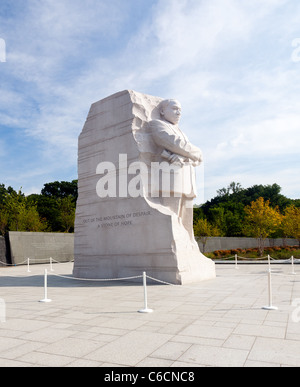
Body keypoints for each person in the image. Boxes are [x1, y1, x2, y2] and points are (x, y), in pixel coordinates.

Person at [148, 99, 203, 240]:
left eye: (180, 110)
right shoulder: (157, 124)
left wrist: (185, 157)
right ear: (162, 111)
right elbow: (175, 143)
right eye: (174, 108)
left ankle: (187, 246)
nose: (178, 112)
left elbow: (195, 157)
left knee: (187, 224)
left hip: (187, 181)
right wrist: (196, 152)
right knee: (171, 219)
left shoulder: (182, 132)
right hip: (171, 180)